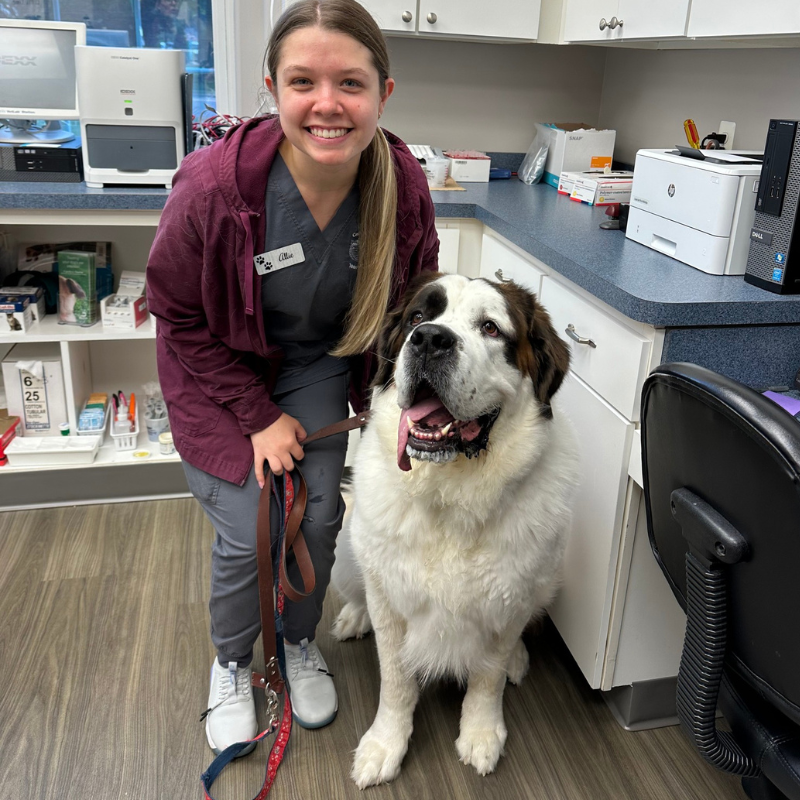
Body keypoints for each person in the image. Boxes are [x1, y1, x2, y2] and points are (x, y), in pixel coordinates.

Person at [146, 0, 439, 757]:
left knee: (315, 517)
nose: (327, 104)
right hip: (218, 372)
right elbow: (176, 317)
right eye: (303, 81)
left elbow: (413, 300)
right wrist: (254, 415)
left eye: (350, 83)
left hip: (314, 362)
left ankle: (299, 644)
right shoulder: (213, 189)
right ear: (272, 86)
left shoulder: (401, 186)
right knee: (252, 529)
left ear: (383, 93)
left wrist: (405, 408)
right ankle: (232, 665)